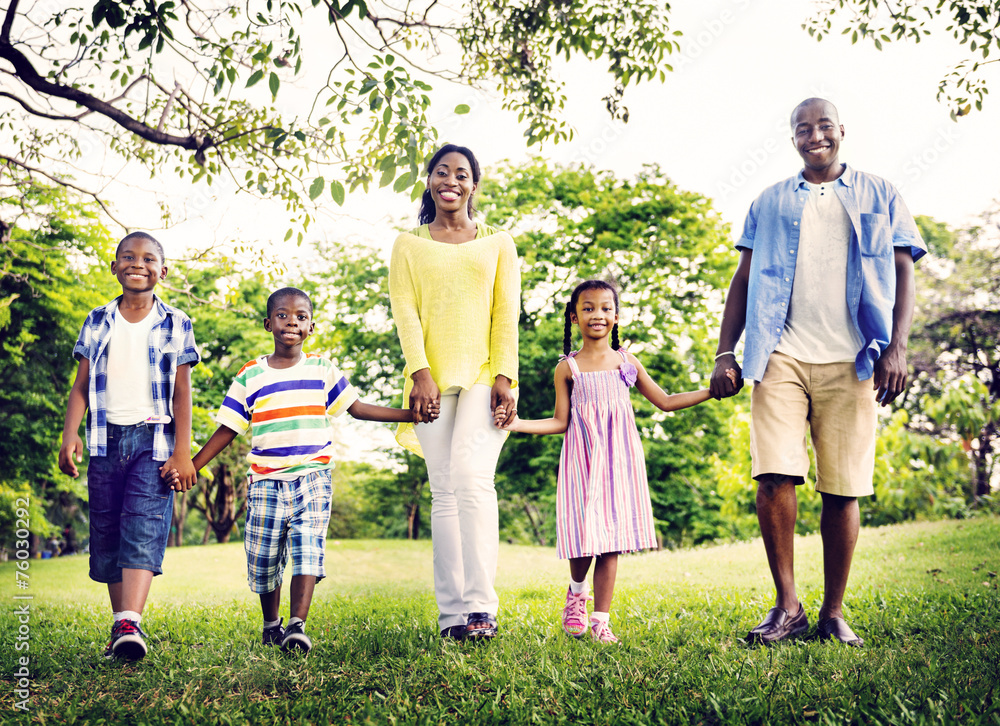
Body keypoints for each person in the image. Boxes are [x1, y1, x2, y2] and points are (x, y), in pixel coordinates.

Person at [709, 98, 926, 647]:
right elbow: (744, 278)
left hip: (855, 356)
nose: (815, 136)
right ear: (794, 139)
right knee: (774, 475)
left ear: (842, 131)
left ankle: (832, 612)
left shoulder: (882, 193)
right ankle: (788, 606)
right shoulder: (770, 200)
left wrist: (896, 347)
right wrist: (724, 351)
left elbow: (903, 271)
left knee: (842, 488)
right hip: (779, 352)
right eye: (803, 129)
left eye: (824, 126)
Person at [171, 287, 415, 653]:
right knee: (265, 559)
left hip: (313, 476)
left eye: (301, 317)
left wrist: (411, 415)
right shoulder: (250, 375)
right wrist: (192, 464)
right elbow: (228, 428)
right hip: (266, 481)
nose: (292, 322)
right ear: (268, 323)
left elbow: (358, 408)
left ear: (311, 327)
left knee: (308, 546)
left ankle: (297, 625)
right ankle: (272, 625)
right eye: (283, 315)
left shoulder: (322, 369)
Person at [496, 280, 736, 643]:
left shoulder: (628, 361)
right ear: (574, 317)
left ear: (616, 316)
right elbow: (560, 421)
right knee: (584, 538)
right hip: (583, 459)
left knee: (611, 540)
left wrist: (710, 391)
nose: (598, 315)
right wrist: (517, 424)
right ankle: (576, 593)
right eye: (589, 308)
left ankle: (600, 622)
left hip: (619, 461)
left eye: (606, 308)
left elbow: (666, 401)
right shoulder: (568, 369)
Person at [389, 143, 520, 641]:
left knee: (471, 476)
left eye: (462, 173)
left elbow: (505, 314)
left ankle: (482, 607)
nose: (451, 180)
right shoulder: (407, 244)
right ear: (429, 181)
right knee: (442, 491)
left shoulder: (498, 243)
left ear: (474, 185)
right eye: (442, 172)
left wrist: (504, 377)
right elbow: (406, 313)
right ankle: (452, 617)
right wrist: (420, 371)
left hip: (487, 371)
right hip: (430, 377)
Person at [58, 231, 200, 661]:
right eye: (128, 257)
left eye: (148, 258)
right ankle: (122, 623)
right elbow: (80, 386)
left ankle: (130, 622)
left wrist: (182, 450)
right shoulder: (97, 319)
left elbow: (182, 392)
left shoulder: (177, 322)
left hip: (154, 440)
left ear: (163, 270)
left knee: (142, 525)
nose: (138, 263)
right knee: (107, 533)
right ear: (115, 267)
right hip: (104, 441)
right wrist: (70, 434)